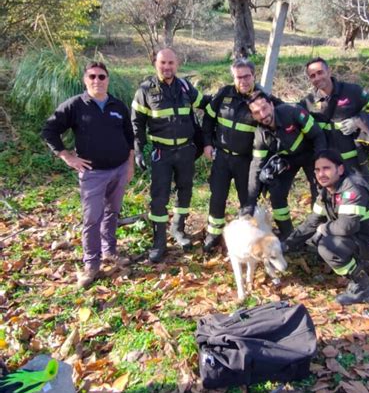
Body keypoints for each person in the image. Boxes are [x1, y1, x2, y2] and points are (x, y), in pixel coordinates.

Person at [42, 61, 134, 288]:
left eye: (101, 77)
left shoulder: (118, 106)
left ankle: (109, 252)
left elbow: (129, 137)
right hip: (93, 174)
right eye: (92, 77)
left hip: (120, 169)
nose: (97, 81)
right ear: (85, 80)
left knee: (112, 212)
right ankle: (91, 265)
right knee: (92, 219)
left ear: (108, 79)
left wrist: (130, 164)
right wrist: (66, 156)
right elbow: (49, 130)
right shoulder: (75, 105)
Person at [284, 149, 369, 305]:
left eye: (326, 168)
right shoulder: (327, 192)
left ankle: (362, 287)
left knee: (328, 245)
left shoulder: (352, 190)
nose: (321, 174)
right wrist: (286, 245)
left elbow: (346, 227)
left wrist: (323, 229)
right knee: (314, 240)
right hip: (363, 234)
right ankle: (358, 262)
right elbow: (312, 222)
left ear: (341, 169)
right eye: (317, 170)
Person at [131, 48, 208, 263]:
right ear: (155, 63)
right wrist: (138, 149)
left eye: (171, 63)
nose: (167, 67)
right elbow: (136, 123)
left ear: (177, 64)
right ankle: (159, 242)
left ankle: (178, 230)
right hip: (161, 153)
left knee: (185, 191)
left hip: (186, 151)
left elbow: (206, 103)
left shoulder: (185, 87)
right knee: (159, 197)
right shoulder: (145, 90)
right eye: (163, 63)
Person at [201, 59, 280, 252]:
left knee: (247, 199)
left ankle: (251, 237)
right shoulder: (223, 94)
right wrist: (207, 144)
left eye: (246, 76)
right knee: (217, 197)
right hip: (221, 157)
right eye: (238, 77)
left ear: (253, 75)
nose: (243, 80)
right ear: (233, 78)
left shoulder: (262, 99)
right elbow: (208, 119)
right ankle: (214, 234)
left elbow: (281, 116)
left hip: (247, 161)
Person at [243, 91, 327, 240]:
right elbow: (256, 166)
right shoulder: (260, 135)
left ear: (271, 105)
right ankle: (289, 235)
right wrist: (249, 202)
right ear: (253, 115)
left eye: (264, 108)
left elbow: (317, 136)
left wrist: (321, 163)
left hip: (310, 155)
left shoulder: (293, 112)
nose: (263, 115)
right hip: (287, 161)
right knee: (276, 193)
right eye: (257, 112)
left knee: (319, 193)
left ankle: (318, 234)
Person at [301, 57, 369, 184]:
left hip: (356, 161)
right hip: (329, 166)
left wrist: (357, 122)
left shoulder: (353, 91)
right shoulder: (308, 102)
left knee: (361, 196)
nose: (317, 78)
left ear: (329, 72)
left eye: (320, 72)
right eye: (312, 76)